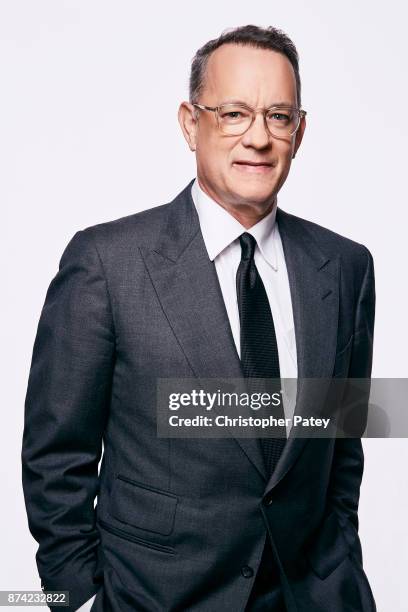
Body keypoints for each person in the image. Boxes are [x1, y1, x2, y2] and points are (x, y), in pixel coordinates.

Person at [21, 25, 376, 611]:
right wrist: (77, 599)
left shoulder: (344, 267)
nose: (258, 138)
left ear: (300, 131)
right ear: (191, 123)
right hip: (153, 599)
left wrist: (343, 578)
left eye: (279, 117)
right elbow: (55, 456)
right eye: (234, 113)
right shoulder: (105, 263)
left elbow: (342, 448)